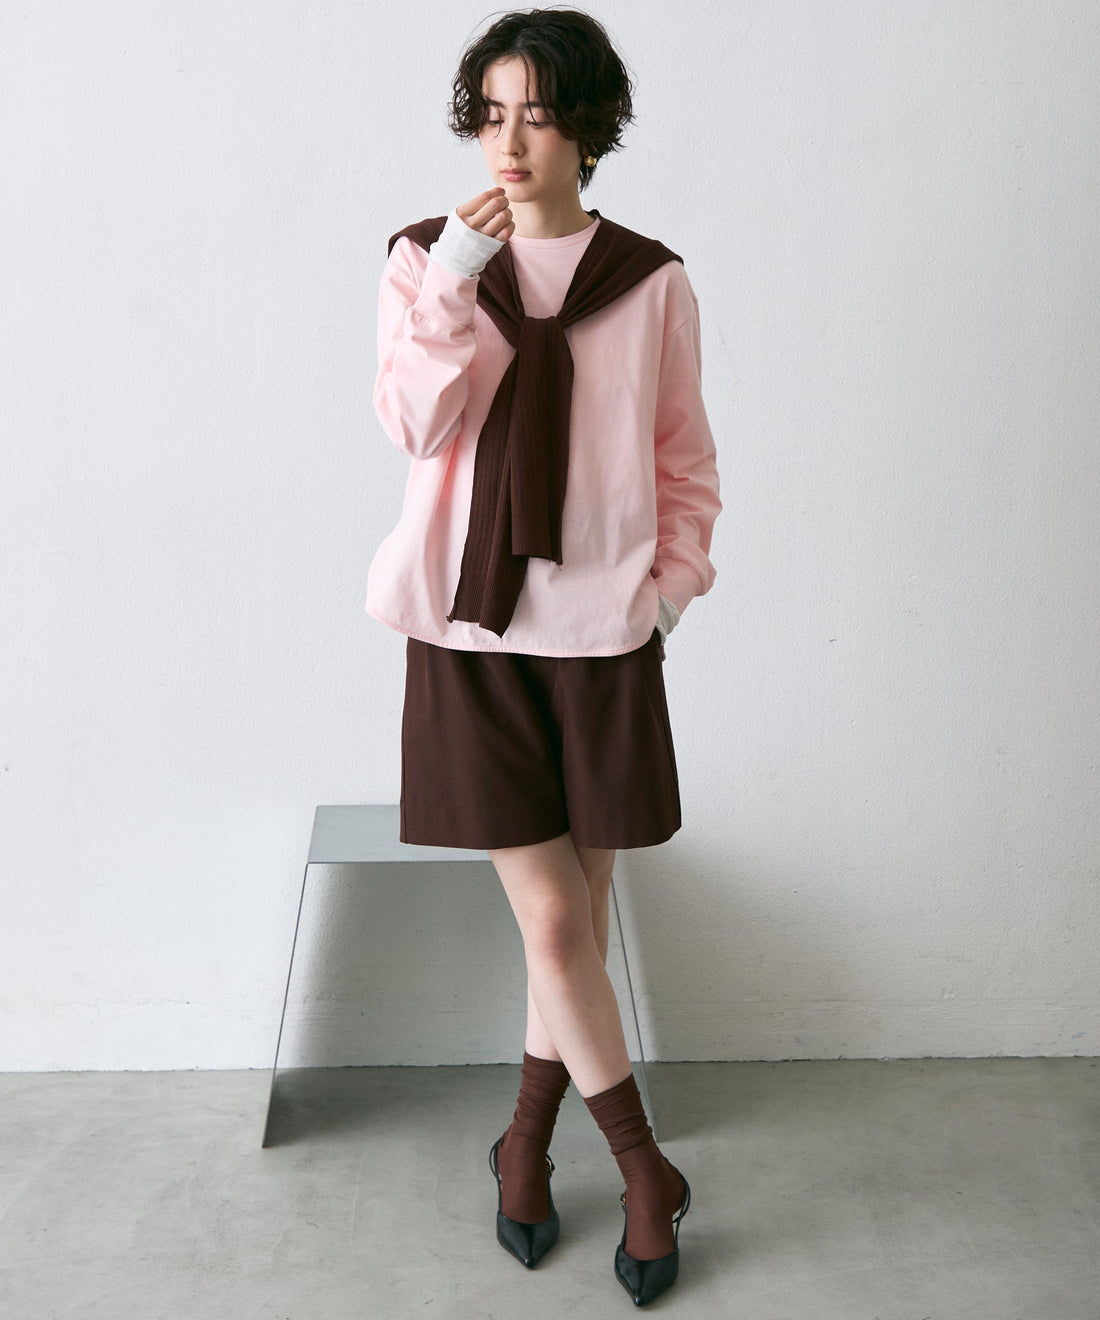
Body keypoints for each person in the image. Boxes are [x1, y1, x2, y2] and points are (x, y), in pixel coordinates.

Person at [365, 7, 720, 1306]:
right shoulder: (428, 259)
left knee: (564, 934)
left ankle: (523, 1144)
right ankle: (642, 1168)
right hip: (470, 633)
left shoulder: (650, 279)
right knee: (558, 920)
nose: (510, 140)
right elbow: (415, 425)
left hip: (604, 638)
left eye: (539, 112)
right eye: (492, 112)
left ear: (589, 125)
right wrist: (458, 278)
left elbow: (684, 460)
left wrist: (665, 596)